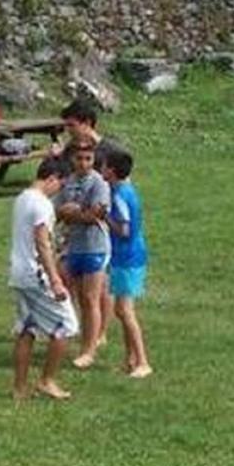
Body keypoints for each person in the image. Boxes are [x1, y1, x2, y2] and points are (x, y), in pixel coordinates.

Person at [10, 158, 79, 400]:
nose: (59, 190)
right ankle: (47, 381)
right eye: (61, 184)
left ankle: (19, 388)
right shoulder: (42, 204)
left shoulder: (22, 198)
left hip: (19, 273)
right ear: (52, 178)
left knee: (26, 329)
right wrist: (56, 280)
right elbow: (42, 243)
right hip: (35, 274)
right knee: (66, 326)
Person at [56, 137, 112, 369]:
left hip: (95, 247)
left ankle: (89, 350)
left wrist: (74, 213)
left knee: (91, 298)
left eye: (88, 159)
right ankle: (84, 342)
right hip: (74, 246)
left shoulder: (99, 183)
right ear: (72, 159)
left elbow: (96, 215)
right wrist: (74, 212)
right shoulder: (68, 183)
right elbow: (57, 211)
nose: (83, 163)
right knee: (79, 299)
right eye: (79, 158)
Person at [102, 150, 153, 379]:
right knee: (121, 310)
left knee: (124, 310)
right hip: (129, 255)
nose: (101, 169)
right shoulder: (126, 190)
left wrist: (104, 217)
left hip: (127, 257)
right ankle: (130, 360)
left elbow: (123, 230)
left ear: (111, 171)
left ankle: (143, 361)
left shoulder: (119, 196)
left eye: (104, 166)